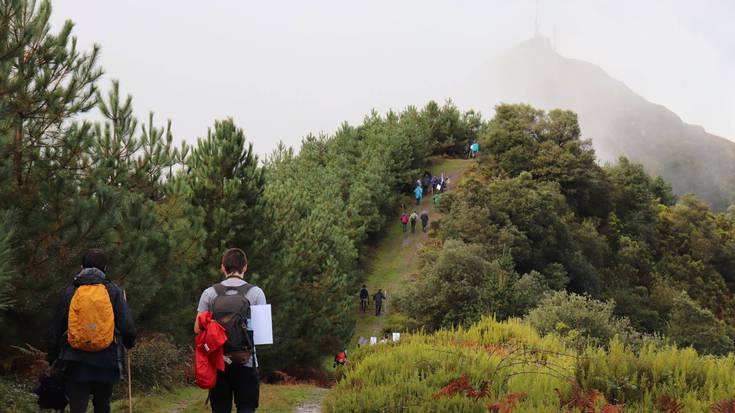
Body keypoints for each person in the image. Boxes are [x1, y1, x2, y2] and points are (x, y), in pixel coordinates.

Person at [47, 249, 136, 413]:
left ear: (81, 267)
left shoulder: (70, 292)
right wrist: (129, 343)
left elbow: (56, 328)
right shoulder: (113, 291)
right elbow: (128, 328)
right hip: (106, 359)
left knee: (78, 407)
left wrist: (52, 357)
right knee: (102, 405)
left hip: (75, 360)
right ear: (105, 269)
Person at [196, 248, 267, 413]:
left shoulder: (210, 293)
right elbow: (262, 335)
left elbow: (197, 328)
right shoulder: (256, 293)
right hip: (246, 361)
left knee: (220, 408)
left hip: (218, 360)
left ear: (223, 267)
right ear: (245, 267)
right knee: (246, 407)